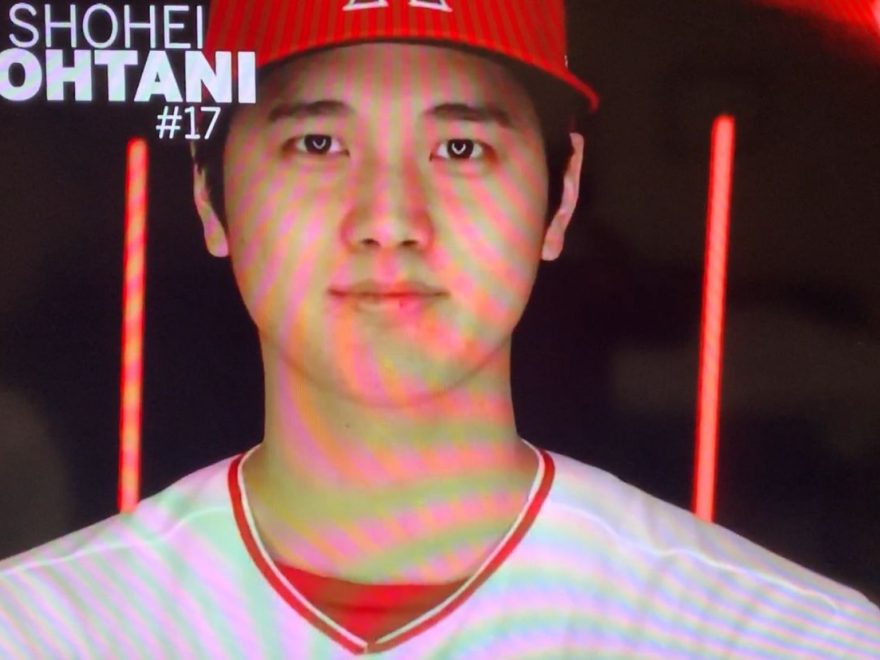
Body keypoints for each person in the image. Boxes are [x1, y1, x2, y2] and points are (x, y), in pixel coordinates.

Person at [1, 1, 878, 657]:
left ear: (562, 194)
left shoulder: (789, 638)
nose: (390, 220)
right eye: (317, 143)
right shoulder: (39, 628)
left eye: (461, 149)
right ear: (208, 190)